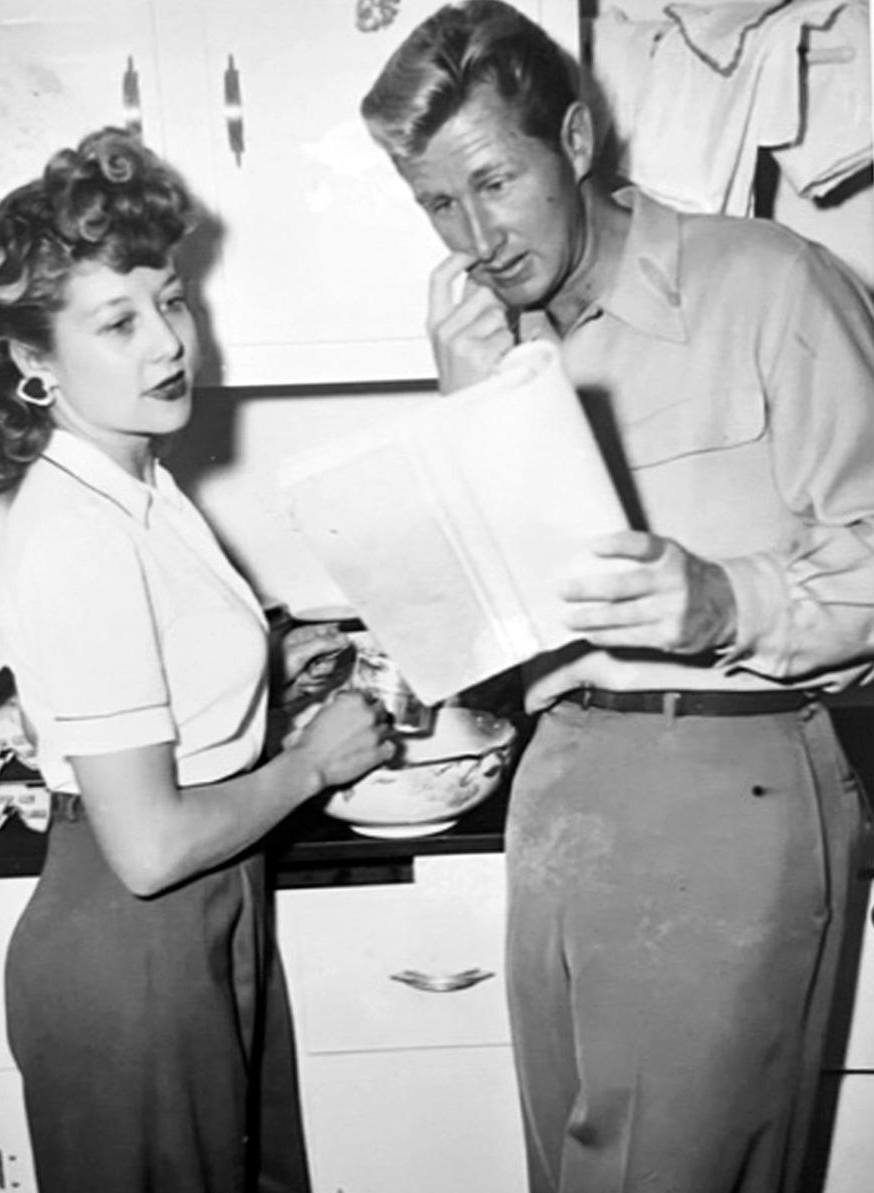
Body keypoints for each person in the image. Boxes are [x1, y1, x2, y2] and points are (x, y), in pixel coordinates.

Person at [361, 3, 874, 1191]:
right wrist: (468, 415)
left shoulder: (769, 284)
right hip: (560, 786)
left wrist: (726, 601)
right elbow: (480, 645)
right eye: (438, 204)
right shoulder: (496, 346)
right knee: (583, 1169)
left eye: (494, 180)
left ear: (577, 141)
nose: (475, 235)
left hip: (729, 781)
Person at [0, 126, 394, 1193]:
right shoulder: (75, 531)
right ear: (33, 359)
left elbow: (168, 686)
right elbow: (145, 846)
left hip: (200, 917)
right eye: (119, 320)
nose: (167, 342)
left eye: (171, 299)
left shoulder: (136, 480)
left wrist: (268, 666)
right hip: (130, 951)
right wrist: (315, 761)